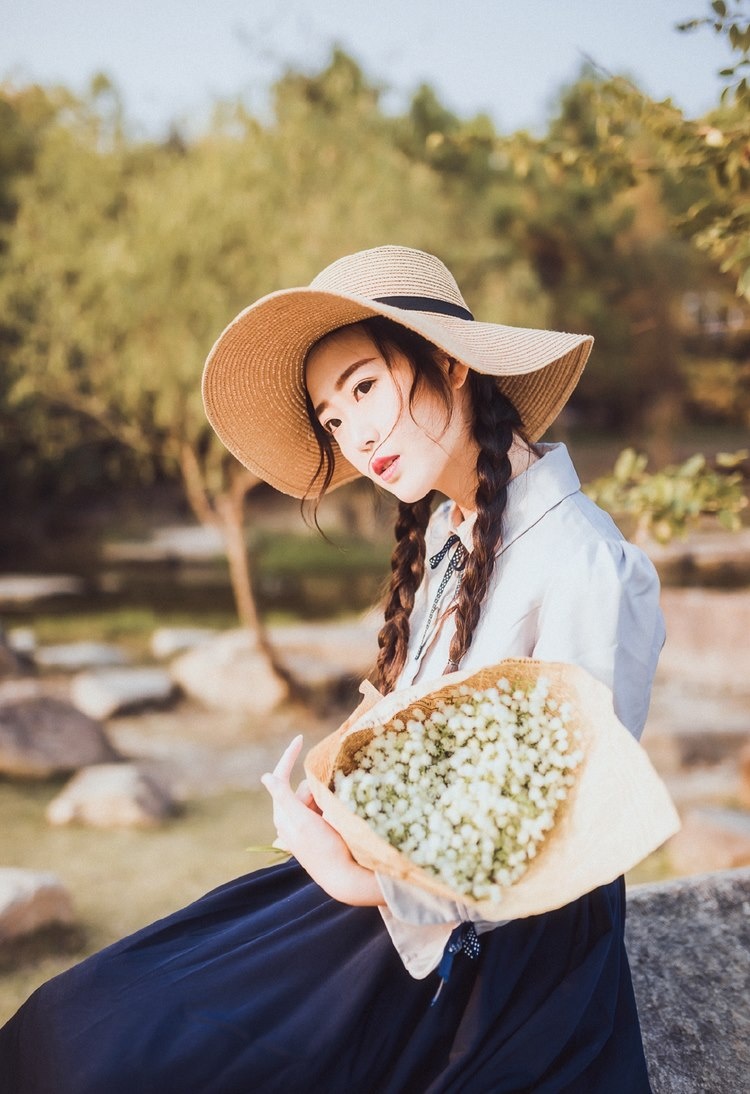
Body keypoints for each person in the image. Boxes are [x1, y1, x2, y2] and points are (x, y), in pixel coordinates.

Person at [0, 245, 664, 1093]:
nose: (358, 436)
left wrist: (350, 874)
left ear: (451, 364)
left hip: (502, 956)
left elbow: (564, 831)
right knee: (76, 1014)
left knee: (120, 1058)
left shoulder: (586, 563)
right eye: (334, 420)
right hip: (394, 891)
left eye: (365, 388)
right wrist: (340, 796)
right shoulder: (454, 533)